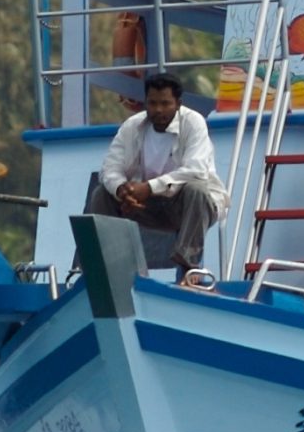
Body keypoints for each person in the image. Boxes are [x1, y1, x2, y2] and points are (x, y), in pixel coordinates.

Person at [88, 73, 230, 286]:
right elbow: (110, 168)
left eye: (165, 103)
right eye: (153, 103)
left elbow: (196, 169)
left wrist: (149, 188)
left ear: (178, 104)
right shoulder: (132, 126)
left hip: (188, 208)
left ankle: (188, 269)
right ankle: (111, 269)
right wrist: (122, 190)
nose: (158, 110)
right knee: (102, 194)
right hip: (145, 204)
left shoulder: (193, 122)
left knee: (197, 189)